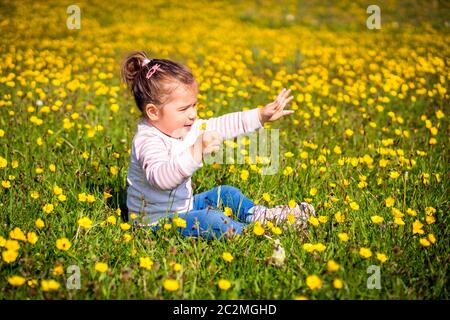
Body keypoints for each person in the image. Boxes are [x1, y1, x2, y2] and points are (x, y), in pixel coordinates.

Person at [121, 51, 315, 239]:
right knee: (211, 220)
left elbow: (222, 124)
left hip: (184, 207)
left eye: (194, 105)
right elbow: (160, 179)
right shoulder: (148, 140)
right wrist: (195, 151)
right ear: (153, 112)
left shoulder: (185, 127)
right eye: (184, 108)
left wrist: (260, 115)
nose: (193, 114)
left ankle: (263, 217)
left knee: (226, 193)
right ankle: (252, 234)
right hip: (155, 224)